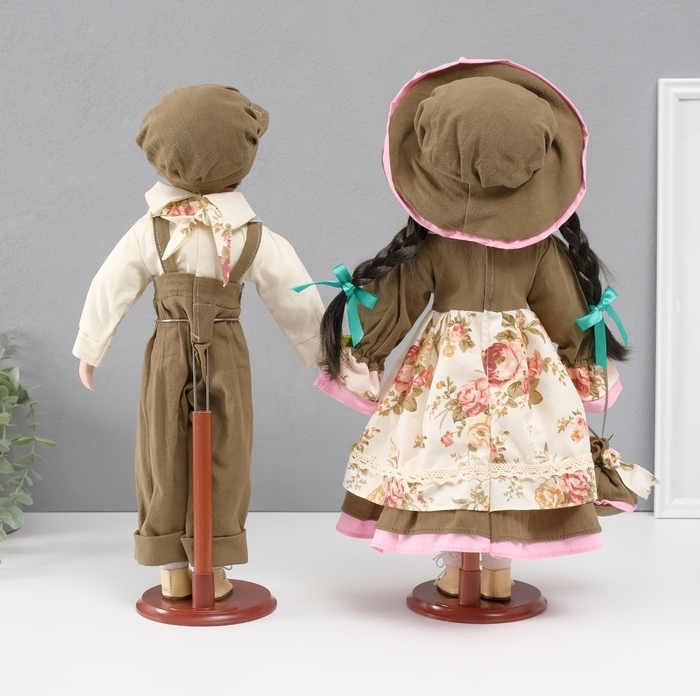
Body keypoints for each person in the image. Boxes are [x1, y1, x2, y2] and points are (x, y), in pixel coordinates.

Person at [312, 59, 655, 601]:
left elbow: (395, 301)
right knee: (522, 455)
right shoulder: (541, 248)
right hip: (526, 374)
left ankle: (460, 569)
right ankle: (495, 575)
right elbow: (570, 314)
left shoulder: (431, 244)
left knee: (443, 452)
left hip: (444, 375)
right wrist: (586, 371)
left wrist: (362, 354)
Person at [73, 84, 324, 601]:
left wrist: (91, 347)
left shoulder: (189, 232)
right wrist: (324, 354)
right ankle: (188, 560)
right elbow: (294, 292)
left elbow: (111, 285)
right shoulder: (228, 233)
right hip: (194, 347)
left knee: (197, 450)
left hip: (199, 348)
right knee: (185, 450)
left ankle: (196, 561)